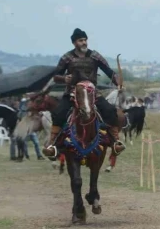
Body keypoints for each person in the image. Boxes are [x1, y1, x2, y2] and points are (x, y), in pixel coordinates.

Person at [43, 28, 124, 158]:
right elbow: (56, 76)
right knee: (58, 113)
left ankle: (115, 142)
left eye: (85, 40)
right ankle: (52, 144)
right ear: (74, 43)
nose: (84, 43)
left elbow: (109, 71)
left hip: (92, 93)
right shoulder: (67, 57)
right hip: (72, 93)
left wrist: (117, 81)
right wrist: (64, 79)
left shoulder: (95, 56)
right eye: (81, 40)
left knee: (109, 110)